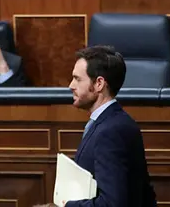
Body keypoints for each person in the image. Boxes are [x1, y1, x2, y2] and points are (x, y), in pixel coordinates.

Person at [66, 45, 157, 206]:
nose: (71, 85)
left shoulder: (111, 131)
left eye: (78, 79)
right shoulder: (111, 123)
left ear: (99, 83)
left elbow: (112, 203)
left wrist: (68, 205)